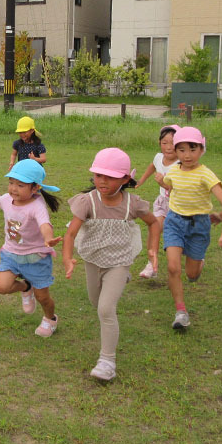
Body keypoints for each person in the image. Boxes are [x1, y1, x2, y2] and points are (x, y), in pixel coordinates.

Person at [63, 148, 160, 381]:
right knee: (96, 304)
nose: (102, 181)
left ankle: (107, 361)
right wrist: (67, 258)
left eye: (110, 176)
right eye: (98, 175)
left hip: (119, 261)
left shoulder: (132, 204)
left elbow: (154, 223)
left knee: (106, 309)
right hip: (92, 259)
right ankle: (118, 281)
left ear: (126, 179)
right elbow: (70, 233)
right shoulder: (88, 202)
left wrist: (152, 250)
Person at [0, 160, 62, 337]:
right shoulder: (8, 199)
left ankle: (50, 319)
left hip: (35, 258)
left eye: (20, 185)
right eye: (11, 182)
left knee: (42, 297)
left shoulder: (37, 206)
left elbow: (45, 225)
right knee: (1, 286)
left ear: (35, 188)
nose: (13, 188)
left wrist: (48, 239)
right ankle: (25, 286)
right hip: (11, 254)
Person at [157, 126, 222, 330]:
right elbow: (172, 185)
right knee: (173, 267)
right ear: (175, 151)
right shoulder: (173, 170)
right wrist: (162, 183)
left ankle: (199, 264)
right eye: (181, 150)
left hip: (198, 225)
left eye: (192, 149)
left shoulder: (206, 174)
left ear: (201, 149)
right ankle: (181, 312)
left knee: (191, 274)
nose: (187, 155)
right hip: (174, 222)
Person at [135, 124, 180, 279]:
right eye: (164, 143)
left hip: (180, 206)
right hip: (163, 203)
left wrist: (165, 185)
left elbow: (183, 191)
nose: (168, 147)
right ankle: (151, 265)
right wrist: (141, 180)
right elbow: (152, 166)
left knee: (183, 239)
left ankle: (196, 255)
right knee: (154, 228)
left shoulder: (182, 165)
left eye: (173, 143)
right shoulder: (158, 157)